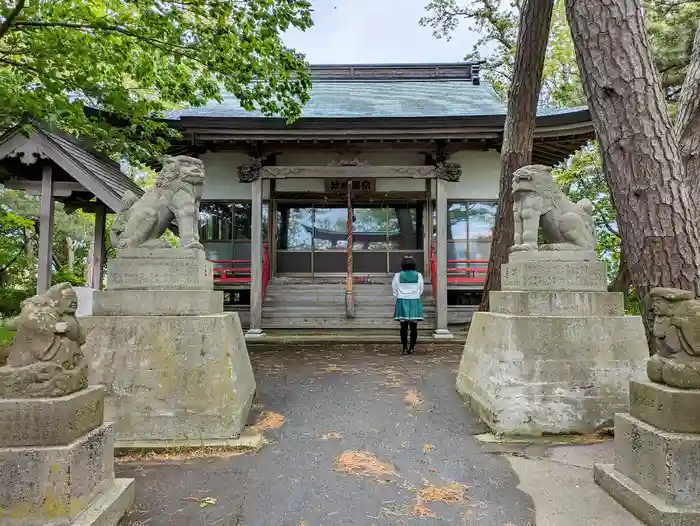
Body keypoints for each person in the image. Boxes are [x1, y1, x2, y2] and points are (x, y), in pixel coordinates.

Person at [392, 255, 424, 354]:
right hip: (414, 301)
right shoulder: (419, 275)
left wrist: (399, 295)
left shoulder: (398, 275)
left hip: (402, 301)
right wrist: (414, 295)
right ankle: (412, 348)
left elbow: (394, 289)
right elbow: (421, 289)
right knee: (414, 327)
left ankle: (405, 348)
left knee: (403, 326)